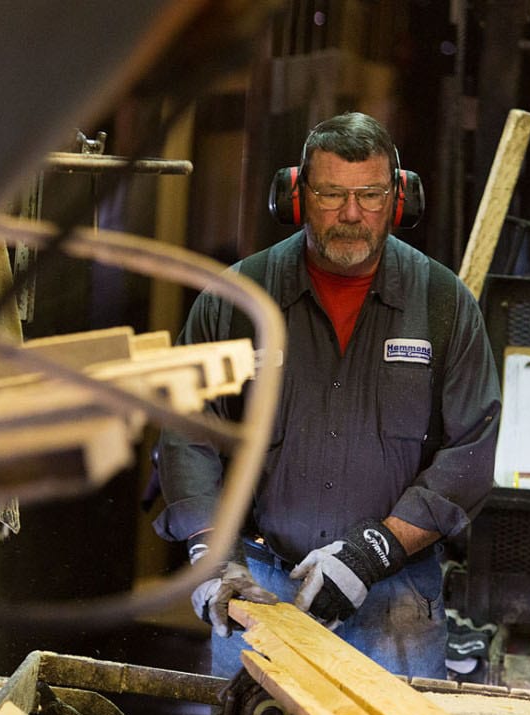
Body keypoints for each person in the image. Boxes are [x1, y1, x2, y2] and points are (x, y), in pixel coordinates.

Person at [154, 112, 501, 680]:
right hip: (258, 591)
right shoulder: (236, 300)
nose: (351, 214)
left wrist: (374, 554)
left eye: (369, 195)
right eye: (331, 193)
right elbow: (187, 433)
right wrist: (212, 559)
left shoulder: (444, 304)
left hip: (397, 599)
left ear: (398, 197)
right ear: (295, 195)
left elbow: (471, 453)